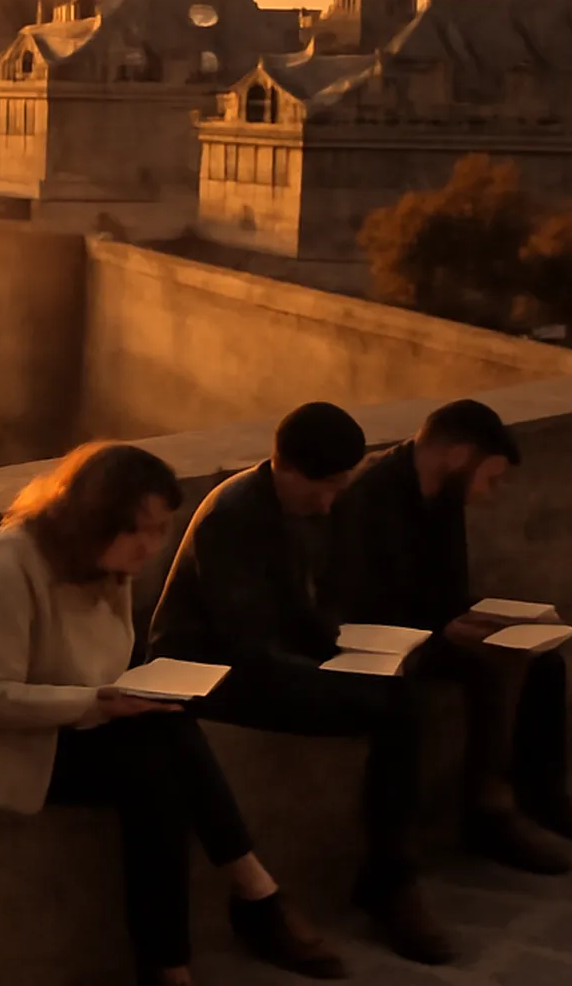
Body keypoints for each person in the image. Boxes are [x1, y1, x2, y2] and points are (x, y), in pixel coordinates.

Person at [0, 442, 347, 986]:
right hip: (31, 745)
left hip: (98, 723)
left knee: (163, 750)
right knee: (157, 761)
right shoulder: (15, 558)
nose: (153, 546)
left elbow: (109, 666)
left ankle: (173, 964)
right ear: (97, 518)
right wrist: (94, 702)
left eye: (162, 529)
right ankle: (252, 899)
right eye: (142, 530)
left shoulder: (108, 563)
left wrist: (122, 696)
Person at [148, 403, 453, 966]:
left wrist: (359, 650)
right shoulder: (232, 515)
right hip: (208, 670)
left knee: (404, 695)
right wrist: (333, 673)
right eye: (325, 486)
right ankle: (388, 885)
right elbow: (248, 646)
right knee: (389, 710)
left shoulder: (301, 510)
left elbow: (306, 610)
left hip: (270, 659)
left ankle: (390, 876)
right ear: (286, 467)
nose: (330, 500)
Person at [327, 399, 572, 875]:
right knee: (489, 668)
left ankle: (542, 794)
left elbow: (448, 587)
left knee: (543, 660)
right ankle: (487, 813)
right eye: (491, 478)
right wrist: (446, 629)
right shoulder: (371, 497)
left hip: (426, 627)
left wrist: (486, 618)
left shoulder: (444, 494)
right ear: (457, 456)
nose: (491, 492)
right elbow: (363, 604)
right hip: (377, 638)